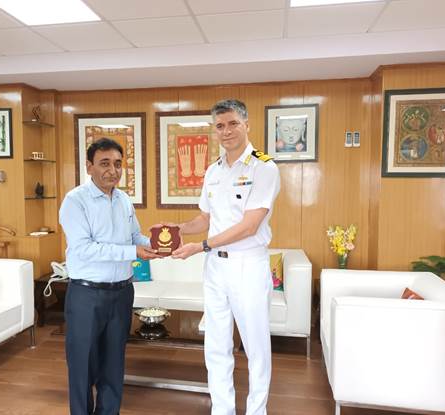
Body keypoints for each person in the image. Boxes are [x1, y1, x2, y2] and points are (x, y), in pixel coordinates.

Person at [168, 99, 281, 415]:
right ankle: (222, 409)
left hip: (247, 264)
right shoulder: (213, 170)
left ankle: (257, 411)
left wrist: (201, 246)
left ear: (246, 125)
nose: (226, 131)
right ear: (214, 130)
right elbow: (204, 219)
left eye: (233, 123)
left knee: (256, 347)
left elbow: (249, 225)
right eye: (220, 125)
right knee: (216, 344)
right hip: (215, 267)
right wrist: (177, 229)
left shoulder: (264, 167)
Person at [59, 137, 160, 415]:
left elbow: (134, 236)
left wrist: (158, 244)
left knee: (114, 363)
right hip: (87, 294)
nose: (112, 170)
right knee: (82, 364)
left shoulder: (123, 199)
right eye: (104, 163)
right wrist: (133, 251)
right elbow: (85, 249)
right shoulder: (75, 201)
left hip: (122, 292)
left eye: (117, 164)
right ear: (89, 166)